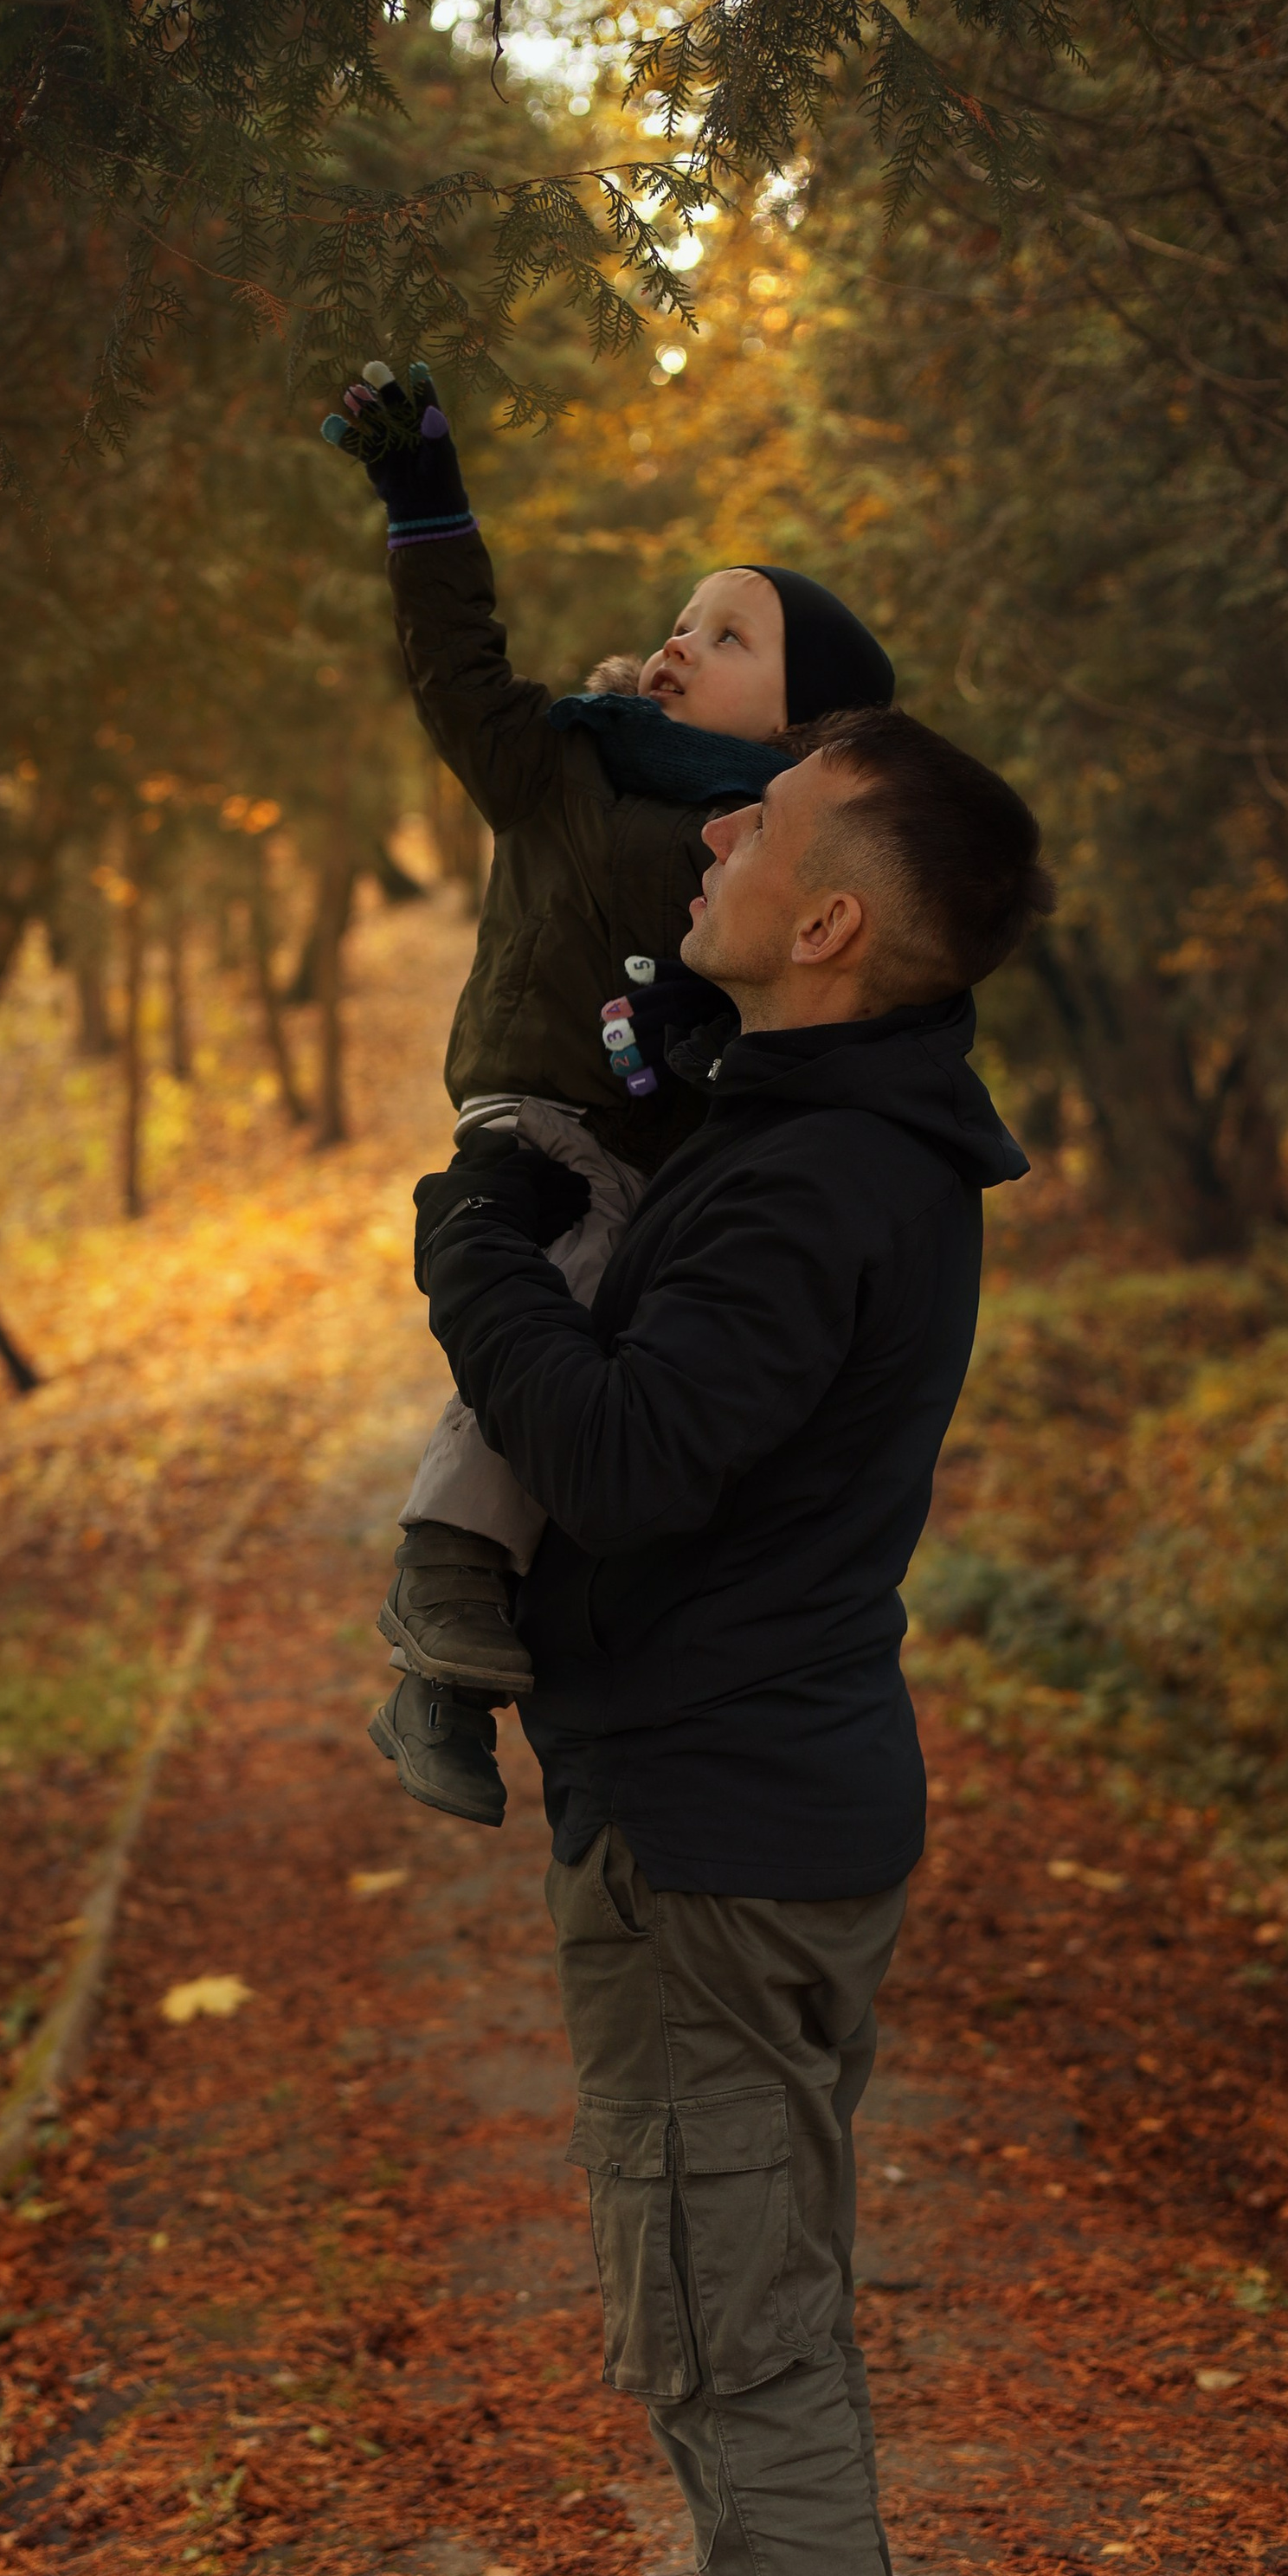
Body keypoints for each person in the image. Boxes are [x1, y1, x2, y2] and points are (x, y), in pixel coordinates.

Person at [409, 705, 1049, 2576]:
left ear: (841, 918)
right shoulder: (817, 1122)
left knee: (738, 2338)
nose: (716, 830)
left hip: (720, 1824)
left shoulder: (815, 1177)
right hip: (726, 1796)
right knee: (730, 2314)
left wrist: (465, 1248)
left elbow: (632, 1453)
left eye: (757, 820)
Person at [317, 360, 893, 1827]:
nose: (679, 642)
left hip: (672, 1153)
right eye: (683, 621)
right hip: (546, 1123)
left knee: (639, 1388)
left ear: (808, 728)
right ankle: (444, 1577)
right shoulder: (571, 767)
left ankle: (446, 1692)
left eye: (729, 632)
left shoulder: (786, 847)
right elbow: (457, 675)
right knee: (557, 1291)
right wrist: (430, 512)